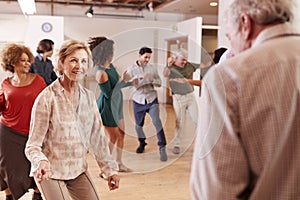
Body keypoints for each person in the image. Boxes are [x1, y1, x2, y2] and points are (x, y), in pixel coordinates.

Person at [190, 0, 300, 199]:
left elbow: (215, 191)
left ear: (245, 23)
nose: (233, 51)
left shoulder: (229, 77)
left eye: (231, 38)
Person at [25, 39, 120, 200]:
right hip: (50, 171)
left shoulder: (88, 98)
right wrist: (41, 161)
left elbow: (97, 138)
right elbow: (32, 146)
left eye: (83, 61)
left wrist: (109, 169)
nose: (79, 66)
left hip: (78, 169)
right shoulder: (46, 98)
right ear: (61, 63)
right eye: (73, 60)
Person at [0, 43, 46, 200]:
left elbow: (47, 104)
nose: (28, 63)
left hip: (33, 133)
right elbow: (2, 104)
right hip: (7, 132)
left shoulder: (38, 81)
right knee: (7, 168)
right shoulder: (6, 83)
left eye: (28, 60)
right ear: (13, 62)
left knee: (35, 167)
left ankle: (38, 196)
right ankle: (9, 197)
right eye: (23, 60)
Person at [88, 36, 132, 173]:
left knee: (121, 134)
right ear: (105, 52)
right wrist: (124, 80)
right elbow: (109, 94)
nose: (113, 53)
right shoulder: (101, 72)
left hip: (117, 103)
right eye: (111, 50)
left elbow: (118, 85)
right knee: (112, 137)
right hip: (108, 107)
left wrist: (129, 82)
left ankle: (119, 163)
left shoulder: (110, 65)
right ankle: (105, 168)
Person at [126, 47, 167, 161]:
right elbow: (127, 82)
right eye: (145, 57)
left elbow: (159, 83)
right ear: (139, 55)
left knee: (157, 122)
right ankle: (142, 143)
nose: (147, 59)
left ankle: (162, 148)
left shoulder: (152, 68)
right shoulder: (131, 69)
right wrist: (139, 77)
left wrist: (152, 79)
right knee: (138, 126)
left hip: (151, 98)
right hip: (138, 100)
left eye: (149, 57)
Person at [163, 49, 199, 154]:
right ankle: (177, 145)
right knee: (179, 122)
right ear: (175, 59)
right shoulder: (171, 67)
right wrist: (168, 65)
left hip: (190, 96)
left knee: (198, 120)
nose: (185, 62)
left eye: (186, 59)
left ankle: (202, 143)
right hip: (178, 98)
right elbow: (165, 74)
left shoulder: (189, 65)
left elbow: (204, 65)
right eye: (182, 60)